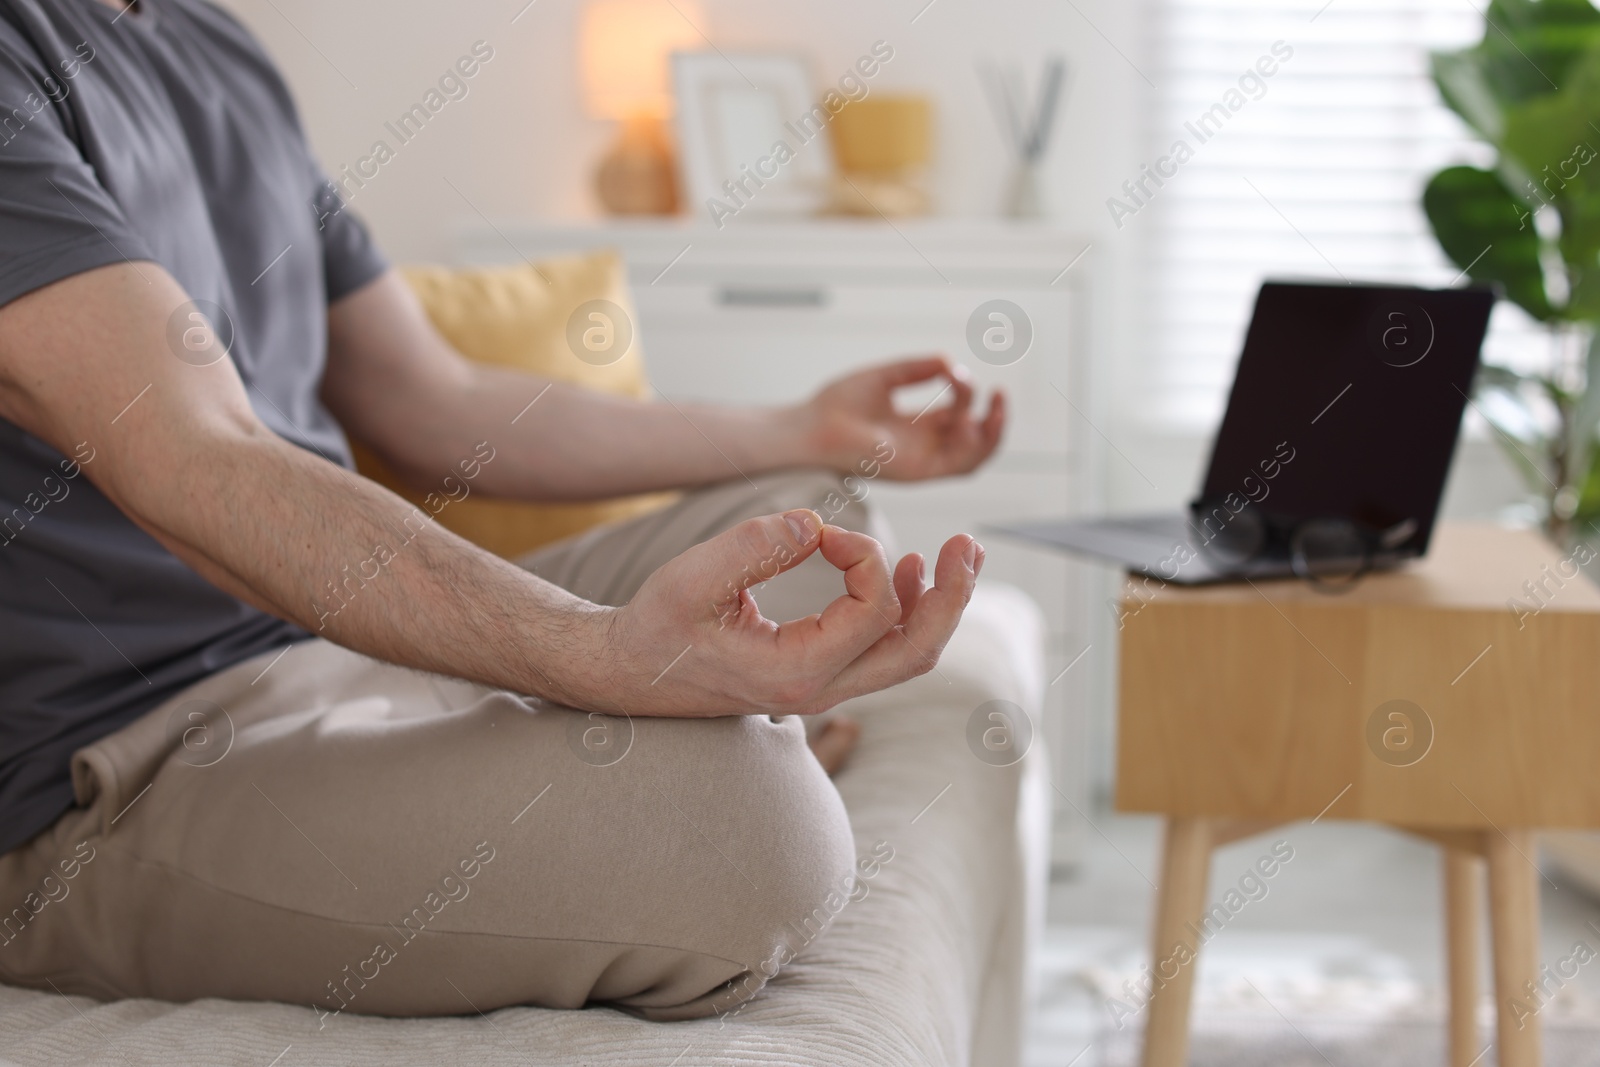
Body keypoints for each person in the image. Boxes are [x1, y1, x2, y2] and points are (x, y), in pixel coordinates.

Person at [0, 0, 1004, 1024]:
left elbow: (435, 400)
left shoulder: (210, 42)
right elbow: (197, 457)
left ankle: (541, 724)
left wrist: (803, 426)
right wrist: (601, 656)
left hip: (343, 635)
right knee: (755, 832)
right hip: (122, 763)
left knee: (816, 532)